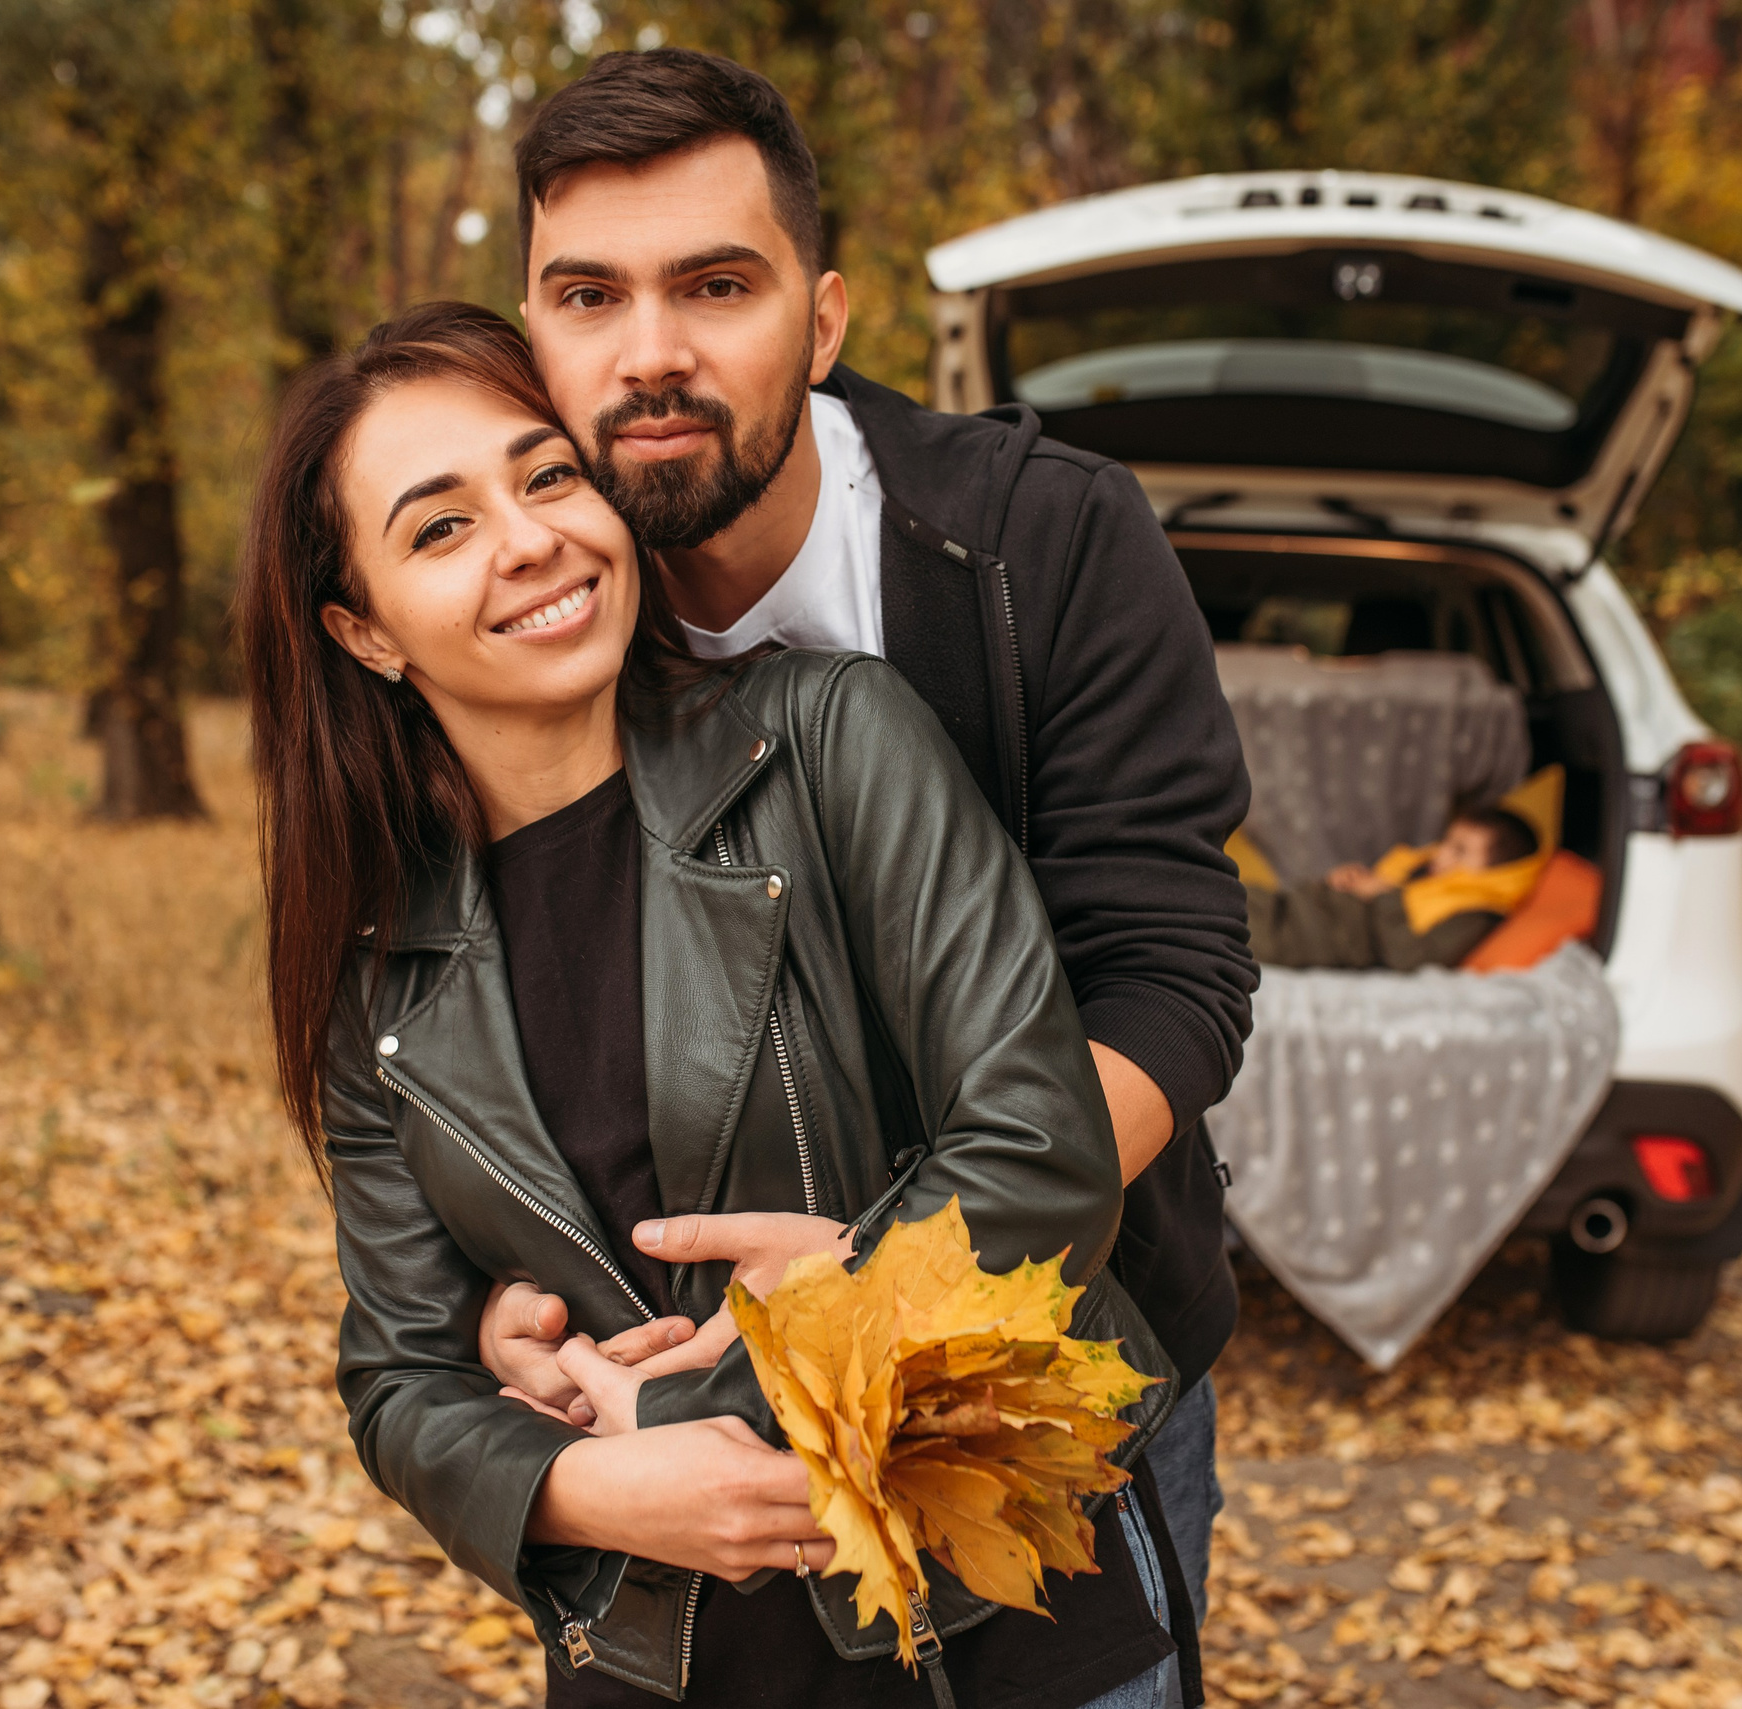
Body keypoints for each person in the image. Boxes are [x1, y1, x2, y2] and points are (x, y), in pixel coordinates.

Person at [237, 302, 1192, 1709]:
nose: (528, 540)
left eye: (547, 474)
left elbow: (1040, 1152)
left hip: (996, 1619)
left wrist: (699, 1405)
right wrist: (589, 1490)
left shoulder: (827, 741)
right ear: (364, 632)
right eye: (439, 529)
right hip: (657, 1654)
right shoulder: (382, 965)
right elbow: (400, 1374)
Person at [472, 49, 1257, 1656]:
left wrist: (889, 1273)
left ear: (823, 320)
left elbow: (1173, 973)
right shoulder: (520, 619)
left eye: (717, 285)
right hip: (677, 1417)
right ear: (529, 332)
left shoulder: (1045, 546)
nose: (653, 354)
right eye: (588, 296)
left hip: (1051, 1357)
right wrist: (512, 1290)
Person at [1248, 806, 1540, 970]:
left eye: (1460, 851)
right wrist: (1350, 881)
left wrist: (1382, 894)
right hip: (1289, 906)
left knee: (1214, 917)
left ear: (1497, 873)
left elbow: (1410, 959)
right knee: (1219, 891)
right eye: (1447, 842)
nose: (1441, 855)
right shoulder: (1425, 876)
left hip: (1294, 938)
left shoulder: (1474, 915)